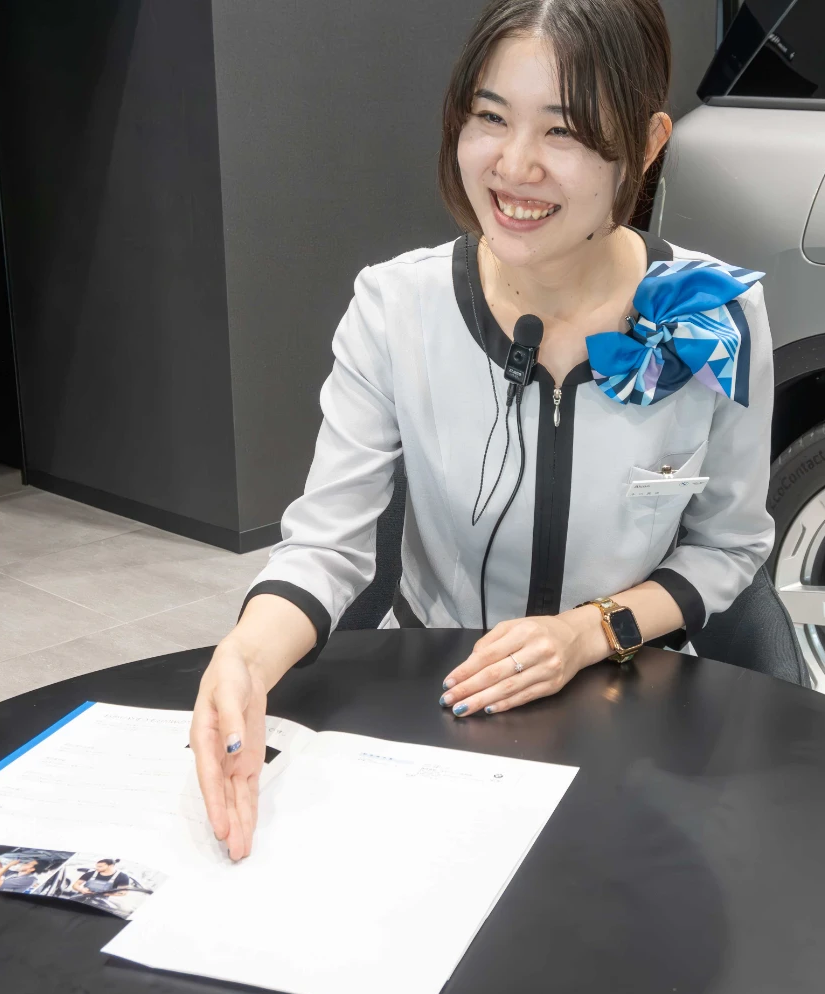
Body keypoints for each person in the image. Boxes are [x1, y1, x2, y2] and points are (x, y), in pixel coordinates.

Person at [191, 0, 776, 861]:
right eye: (490, 117)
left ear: (648, 144)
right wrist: (247, 655)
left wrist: (587, 631)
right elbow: (326, 547)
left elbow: (727, 547)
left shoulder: (716, 316)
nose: (514, 165)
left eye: (564, 131)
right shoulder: (396, 308)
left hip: (637, 721)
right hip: (443, 712)